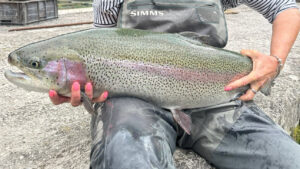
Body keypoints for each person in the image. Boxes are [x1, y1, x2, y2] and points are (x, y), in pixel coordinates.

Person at [49, 0, 300, 168]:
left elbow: (284, 7)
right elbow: (99, 42)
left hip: (215, 98)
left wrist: (275, 61)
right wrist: (81, 87)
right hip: (133, 104)